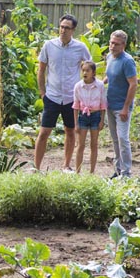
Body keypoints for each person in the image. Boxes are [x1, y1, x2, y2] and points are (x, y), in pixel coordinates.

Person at [34, 14, 92, 173]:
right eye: (61, 27)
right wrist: (42, 93)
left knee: (70, 131)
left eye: (67, 28)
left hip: (71, 97)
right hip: (51, 96)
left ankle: (66, 166)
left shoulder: (80, 47)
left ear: (73, 30)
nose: (63, 30)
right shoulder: (49, 45)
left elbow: (90, 68)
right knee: (44, 132)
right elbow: (41, 70)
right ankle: (36, 167)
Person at [104, 30, 138, 178]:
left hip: (122, 107)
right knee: (115, 139)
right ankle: (118, 170)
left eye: (116, 44)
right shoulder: (109, 57)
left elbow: (133, 84)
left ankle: (127, 173)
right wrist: (99, 84)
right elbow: (109, 75)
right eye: (111, 43)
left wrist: (126, 107)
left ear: (123, 45)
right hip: (109, 104)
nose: (112, 46)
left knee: (123, 139)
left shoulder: (128, 61)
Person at [72, 61, 106, 174]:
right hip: (83, 115)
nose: (85, 73)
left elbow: (103, 104)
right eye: (83, 70)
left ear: (93, 72)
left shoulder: (100, 85)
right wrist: (76, 123)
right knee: (80, 145)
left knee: (94, 144)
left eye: (88, 70)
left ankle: (92, 172)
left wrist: (102, 120)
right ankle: (77, 171)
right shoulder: (78, 86)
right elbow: (76, 105)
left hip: (95, 116)